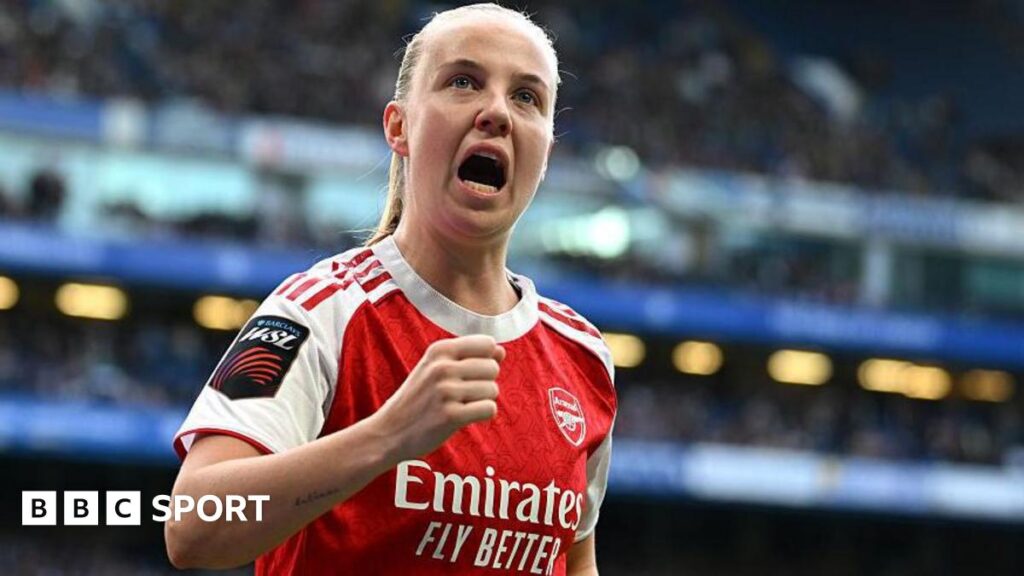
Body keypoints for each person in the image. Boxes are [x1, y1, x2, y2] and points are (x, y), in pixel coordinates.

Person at [165, 4, 617, 574]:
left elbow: (575, 562)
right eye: (463, 82)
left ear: (546, 153)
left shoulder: (584, 357)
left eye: (527, 97)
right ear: (398, 127)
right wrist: (388, 436)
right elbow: (192, 526)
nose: (497, 112)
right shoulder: (314, 312)